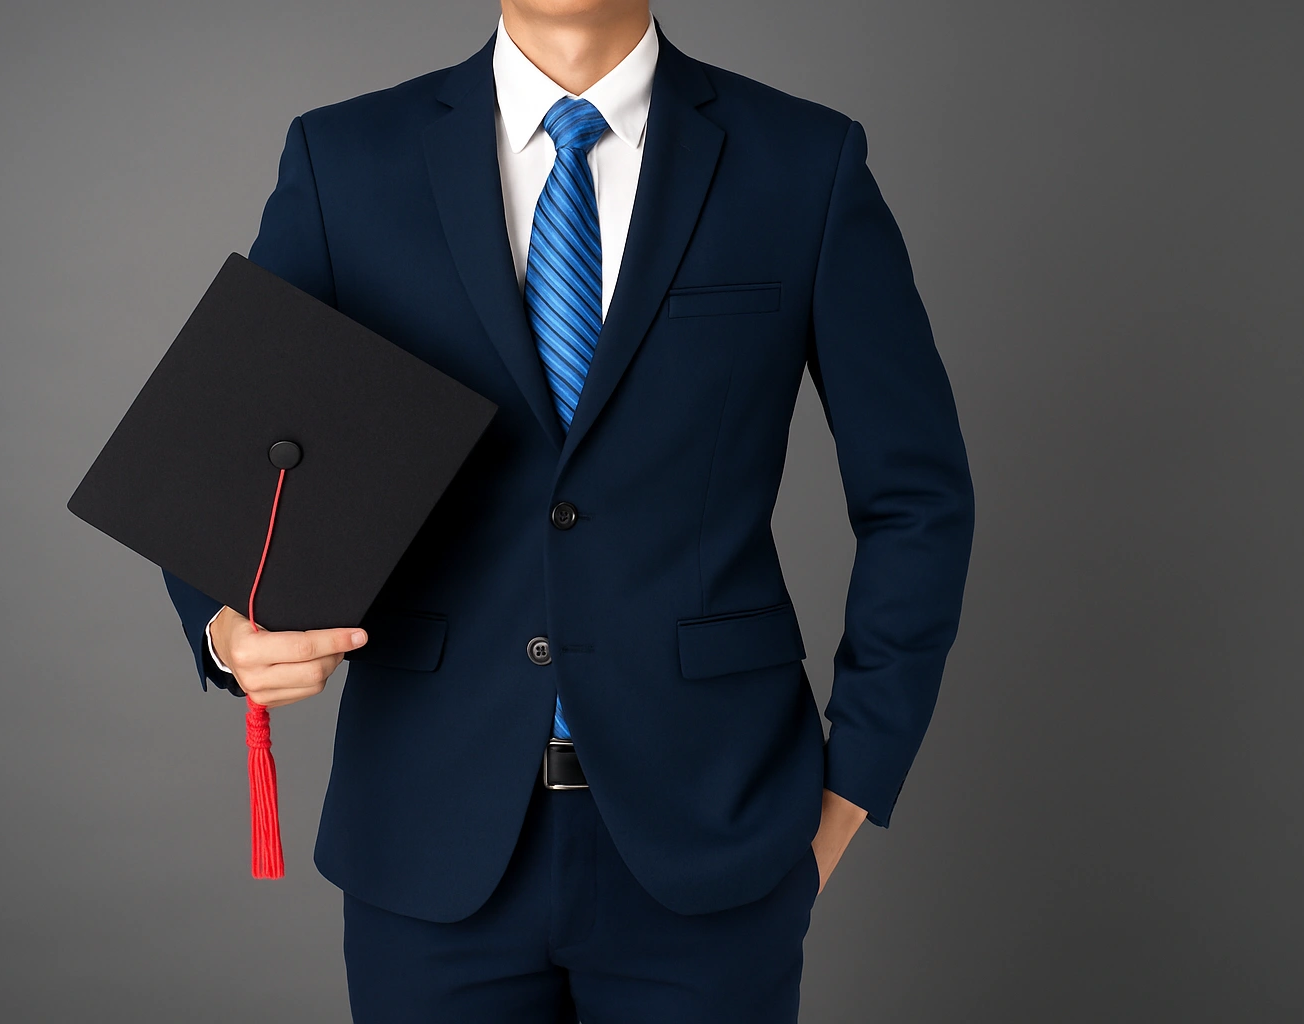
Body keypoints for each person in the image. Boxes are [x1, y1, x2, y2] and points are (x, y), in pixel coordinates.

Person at [161, 1, 974, 1019]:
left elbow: (918, 496)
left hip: (714, 836)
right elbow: (227, 449)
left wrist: (851, 788)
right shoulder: (348, 159)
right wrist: (223, 626)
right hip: (429, 835)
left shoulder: (802, 162)